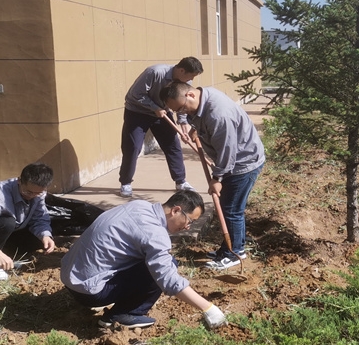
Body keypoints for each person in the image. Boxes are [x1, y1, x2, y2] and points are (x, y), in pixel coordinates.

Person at [60, 190, 227, 330]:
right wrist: (208, 308)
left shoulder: (139, 206)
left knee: (159, 260)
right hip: (90, 292)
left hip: (72, 280)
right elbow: (168, 279)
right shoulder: (154, 233)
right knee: (165, 265)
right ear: (176, 210)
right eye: (190, 221)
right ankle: (121, 315)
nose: (187, 227)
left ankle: (114, 299)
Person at [160, 81, 265, 271]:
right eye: (177, 111)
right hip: (234, 160)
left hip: (242, 163)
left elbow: (228, 151)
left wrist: (217, 178)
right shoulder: (202, 98)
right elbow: (199, 117)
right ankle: (231, 247)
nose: (184, 113)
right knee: (230, 208)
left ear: (190, 95)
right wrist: (196, 128)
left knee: (230, 210)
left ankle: (235, 252)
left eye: (183, 108)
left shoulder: (219, 115)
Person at [119, 57, 204, 197]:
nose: (192, 80)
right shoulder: (154, 72)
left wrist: (183, 123)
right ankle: (125, 182)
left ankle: (180, 181)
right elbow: (134, 95)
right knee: (132, 147)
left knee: (173, 145)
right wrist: (154, 107)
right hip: (137, 112)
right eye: (191, 76)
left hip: (162, 112)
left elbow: (183, 102)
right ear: (182, 70)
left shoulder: (185, 81)